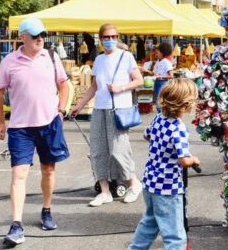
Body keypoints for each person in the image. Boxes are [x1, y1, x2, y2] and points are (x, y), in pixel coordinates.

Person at [0, 17, 71, 247]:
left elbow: (64, 85)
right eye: (35, 36)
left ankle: (46, 210)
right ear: (23, 37)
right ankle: (16, 225)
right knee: (18, 175)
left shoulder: (51, 57)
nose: (40, 40)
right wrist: (0, 122)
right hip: (20, 128)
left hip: (48, 124)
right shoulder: (9, 61)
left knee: (48, 170)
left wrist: (61, 110)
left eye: (42, 36)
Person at [71, 23, 144, 207]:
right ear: (101, 39)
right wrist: (79, 105)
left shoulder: (126, 56)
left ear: (118, 38)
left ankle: (134, 184)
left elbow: (139, 80)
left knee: (119, 149)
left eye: (114, 37)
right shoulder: (99, 60)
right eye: (106, 37)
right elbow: (95, 87)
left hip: (119, 109)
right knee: (98, 150)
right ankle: (105, 192)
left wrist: (121, 87)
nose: (110, 40)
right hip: (100, 109)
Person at [128, 79, 200, 250]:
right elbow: (183, 160)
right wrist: (194, 160)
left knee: (150, 222)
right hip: (168, 187)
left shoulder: (159, 119)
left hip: (151, 181)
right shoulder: (178, 128)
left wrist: (162, 145)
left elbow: (147, 135)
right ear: (185, 104)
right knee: (175, 235)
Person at [152, 42, 174, 113]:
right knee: (158, 101)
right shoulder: (158, 61)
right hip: (157, 82)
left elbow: (171, 75)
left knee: (160, 102)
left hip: (163, 83)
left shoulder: (166, 62)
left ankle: (163, 116)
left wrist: (160, 76)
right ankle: (160, 115)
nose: (155, 55)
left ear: (162, 53)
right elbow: (155, 73)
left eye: (157, 53)